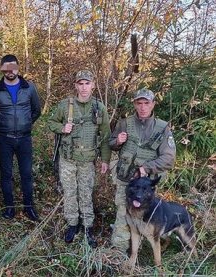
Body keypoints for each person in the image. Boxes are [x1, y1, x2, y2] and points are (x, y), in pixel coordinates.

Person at [48, 70, 111, 248]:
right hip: (67, 159)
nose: (84, 88)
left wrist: (105, 160)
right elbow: (51, 123)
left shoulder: (100, 108)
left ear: (93, 85)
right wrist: (62, 127)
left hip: (87, 160)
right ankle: (72, 224)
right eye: (80, 84)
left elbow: (105, 136)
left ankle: (87, 227)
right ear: (76, 85)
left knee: (86, 193)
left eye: (87, 84)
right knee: (69, 192)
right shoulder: (64, 105)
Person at [110, 88, 176, 251]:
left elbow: (169, 158)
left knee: (144, 215)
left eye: (146, 103)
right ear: (134, 104)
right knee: (122, 212)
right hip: (125, 178)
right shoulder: (124, 123)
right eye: (139, 103)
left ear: (153, 104)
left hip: (145, 185)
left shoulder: (162, 128)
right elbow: (110, 143)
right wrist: (117, 141)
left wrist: (146, 167)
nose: (143, 107)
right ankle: (118, 251)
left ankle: (142, 245)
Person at [0, 54, 41, 222]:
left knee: (26, 173)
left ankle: (28, 207)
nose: (10, 71)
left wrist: (25, 124)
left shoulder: (29, 88)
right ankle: (9, 208)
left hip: (24, 138)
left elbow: (36, 110)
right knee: (6, 174)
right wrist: (2, 126)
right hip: (4, 139)